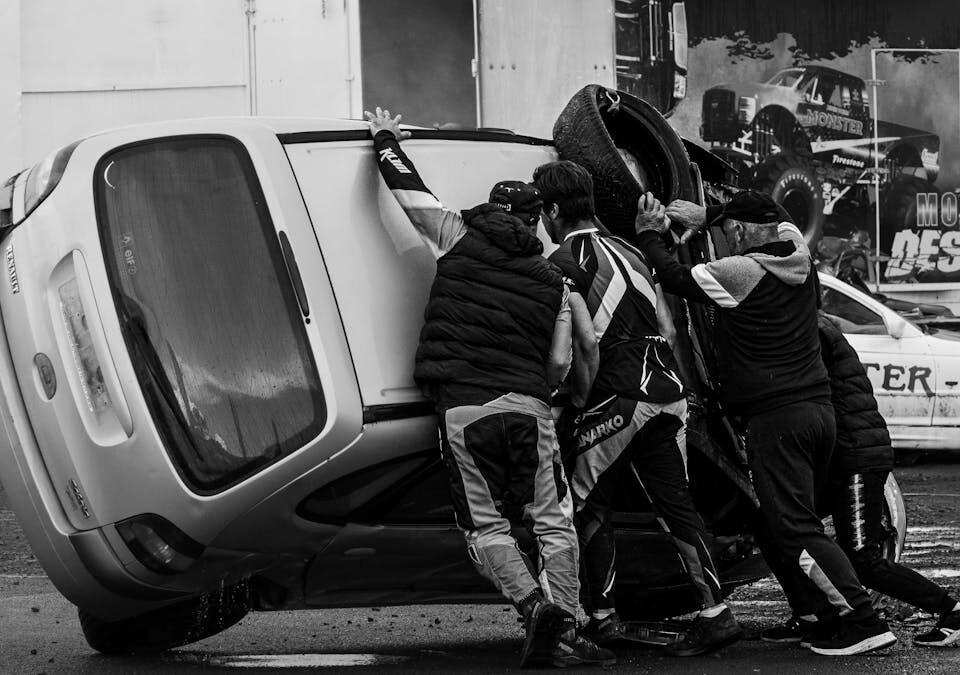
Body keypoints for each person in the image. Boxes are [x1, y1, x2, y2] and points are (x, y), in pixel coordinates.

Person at [365, 108, 613, 669]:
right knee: (552, 520)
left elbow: (409, 193)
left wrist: (385, 139)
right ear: (534, 222)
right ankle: (567, 626)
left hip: (463, 410)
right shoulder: (555, 278)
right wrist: (559, 393)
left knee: (485, 525)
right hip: (529, 408)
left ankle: (532, 608)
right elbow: (558, 360)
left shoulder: (456, 236)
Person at [636, 190, 897, 656]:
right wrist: (711, 214)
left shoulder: (739, 272)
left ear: (737, 233)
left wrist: (650, 235)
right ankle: (818, 617)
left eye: (726, 230)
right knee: (777, 525)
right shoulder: (800, 256)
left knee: (795, 528)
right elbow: (781, 218)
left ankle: (863, 621)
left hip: (777, 419)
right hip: (818, 415)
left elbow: (671, 276)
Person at [531, 160, 742, 657]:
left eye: (542, 210)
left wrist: (575, 402)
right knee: (676, 508)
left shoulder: (560, 263)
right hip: (668, 395)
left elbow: (582, 346)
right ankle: (716, 615)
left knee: (584, 501)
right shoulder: (631, 250)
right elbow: (670, 329)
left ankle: (601, 617)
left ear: (553, 210)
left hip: (617, 397)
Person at [761, 312, 960, 648]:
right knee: (774, 528)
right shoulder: (810, 325)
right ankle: (815, 616)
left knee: (862, 559)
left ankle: (951, 610)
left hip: (856, 458)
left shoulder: (810, 332)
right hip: (845, 456)